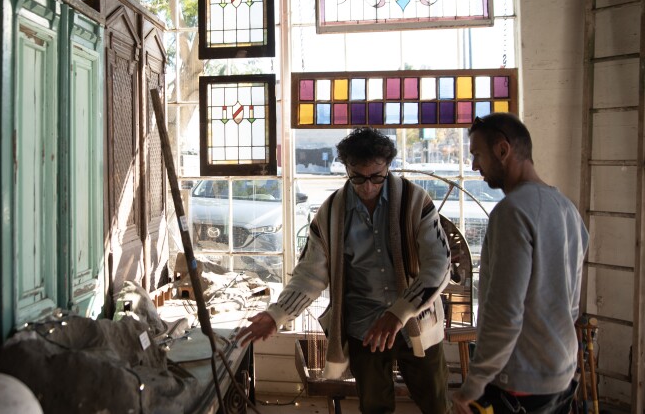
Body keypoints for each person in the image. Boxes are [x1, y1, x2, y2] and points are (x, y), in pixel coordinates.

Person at [237, 128, 452, 414]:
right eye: (358, 177)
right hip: (364, 325)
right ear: (346, 169)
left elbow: (439, 265)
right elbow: (310, 276)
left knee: (436, 405)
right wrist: (278, 314)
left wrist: (398, 313)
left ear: (388, 167)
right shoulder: (331, 214)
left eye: (377, 177)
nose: (368, 186)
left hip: (418, 319)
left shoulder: (415, 201)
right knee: (374, 407)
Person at [451, 113, 589, 414]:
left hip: (522, 381)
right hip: (562, 372)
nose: (474, 166)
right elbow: (572, 304)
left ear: (503, 150)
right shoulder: (567, 209)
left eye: (477, 154)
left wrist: (473, 385)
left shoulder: (512, 212)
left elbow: (505, 314)